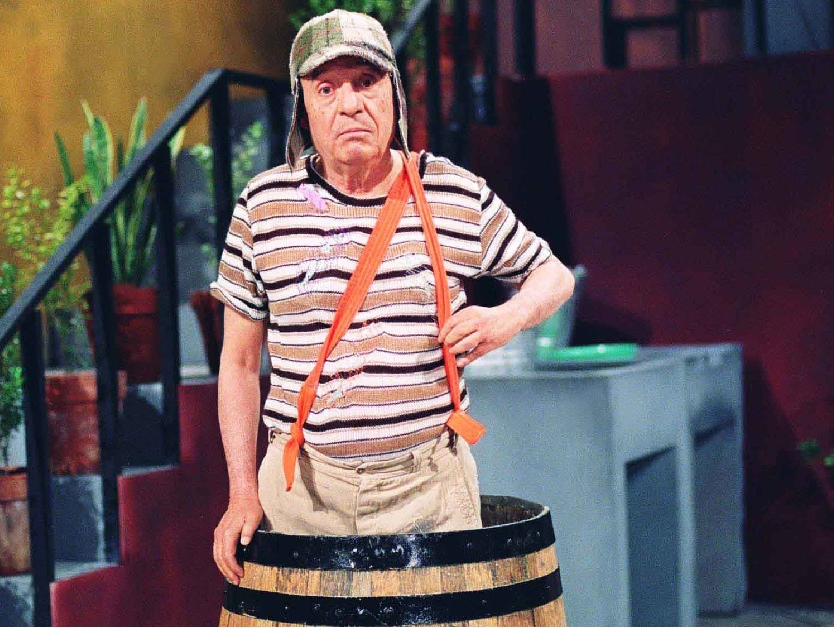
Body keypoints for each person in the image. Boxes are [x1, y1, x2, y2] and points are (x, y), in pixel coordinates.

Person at [210, 9, 575, 585]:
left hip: (428, 491)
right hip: (302, 493)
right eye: (326, 88)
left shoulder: (451, 191)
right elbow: (236, 363)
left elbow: (553, 276)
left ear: (394, 95)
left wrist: (506, 318)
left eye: (366, 82)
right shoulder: (264, 207)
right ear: (303, 108)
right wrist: (240, 493)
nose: (349, 104)